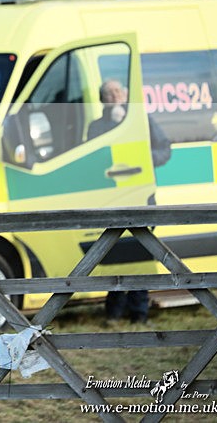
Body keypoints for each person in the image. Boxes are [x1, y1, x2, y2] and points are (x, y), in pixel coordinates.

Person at [88, 78, 172, 324]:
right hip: (112, 199)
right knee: (114, 254)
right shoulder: (96, 127)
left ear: (126, 95)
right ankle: (114, 311)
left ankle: (139, 313)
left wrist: (143, 159)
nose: (114, 96)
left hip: (142, 197)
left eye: (118, 92)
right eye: (109, 93)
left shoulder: (142, 120)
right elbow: (93, 158)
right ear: (102, 99)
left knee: (141, 254)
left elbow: (165, 150)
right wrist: (113, 126)